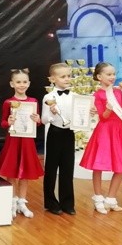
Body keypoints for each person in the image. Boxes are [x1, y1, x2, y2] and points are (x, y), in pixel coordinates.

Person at [79, 62, 122, 214]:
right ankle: (98, 198)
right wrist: (107, 109)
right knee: (98, 165)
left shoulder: (119, 92)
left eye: (113, 74)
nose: (112, 77)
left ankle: (111, 198)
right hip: (104, 131)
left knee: (121, 166)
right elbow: (103, 117)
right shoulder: (97, 95)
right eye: (108, 74)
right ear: (99, 77)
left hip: (118, 131)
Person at [0, 69, 44, 218]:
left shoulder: (33, 101)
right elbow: (3, 122)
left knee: (25, 172)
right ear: (12, 84)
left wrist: (38, 120)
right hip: (13, 140)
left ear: (29, 83)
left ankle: (22, 202)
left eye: (24, 82)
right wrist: (8, 122)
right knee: (12, 171)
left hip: (27, 141)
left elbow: (37, 123)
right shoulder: (8, 102)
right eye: (18, 82)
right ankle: (12, 201)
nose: (22, 85)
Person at [41, 62, 76, 215]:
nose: (67, 79)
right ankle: (50, 202)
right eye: (63, 77)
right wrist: (51, 113)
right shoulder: (48, 97)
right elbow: (43, 120)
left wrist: (89, 112)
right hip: (55, 133)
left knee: (68, 168)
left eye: (69, 76)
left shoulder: (74, 96)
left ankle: (67, 203)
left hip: (69, 133)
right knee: (51, 168)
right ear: (52, 79)